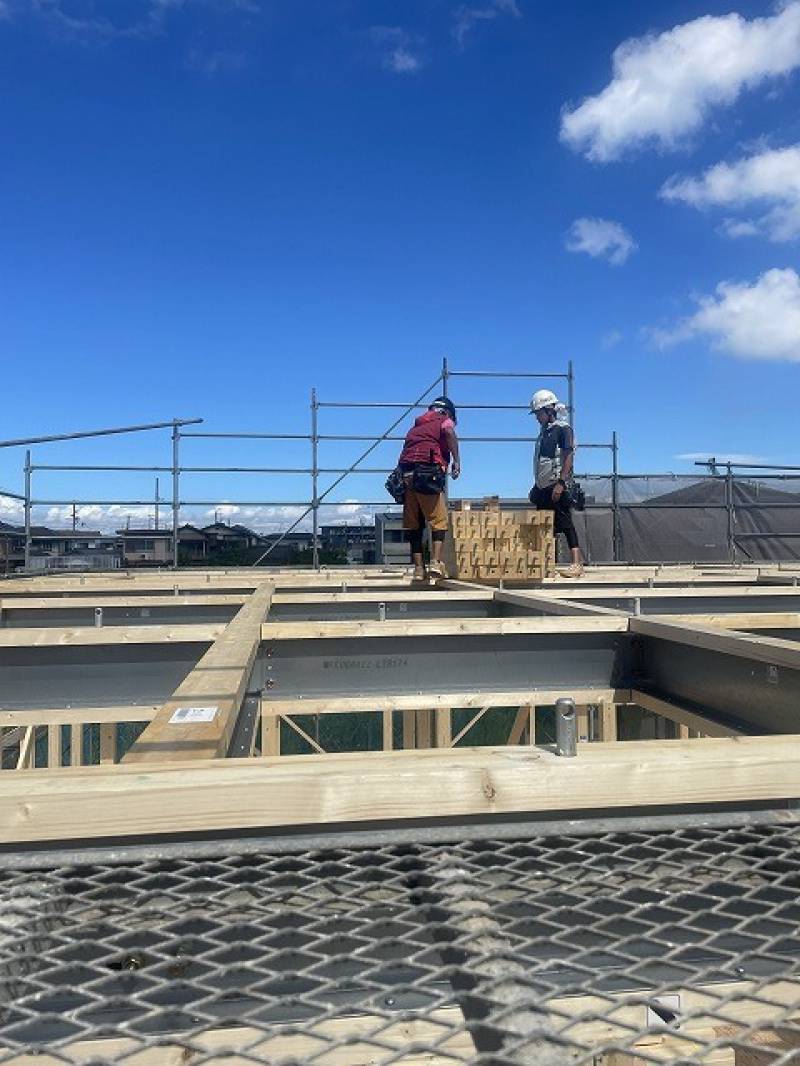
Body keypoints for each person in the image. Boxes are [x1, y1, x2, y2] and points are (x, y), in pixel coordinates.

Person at [398, 396, 460, 581]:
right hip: (427, 474)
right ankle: (435, 563)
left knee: (413, 523)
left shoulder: (417, 426)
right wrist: (457, 461)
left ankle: (418, 569)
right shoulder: (443, 419)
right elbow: (449, 433)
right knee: (439, 520)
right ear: (447, 411)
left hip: (407, 475)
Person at [529, 389, 584, 578]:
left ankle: (577, 563)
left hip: (556, 483)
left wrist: (561, 482)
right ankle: (547, 563)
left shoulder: (563, 429)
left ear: (549, 410)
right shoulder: (544, 432)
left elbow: (568, 455)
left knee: (565, 522)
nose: (537, 417)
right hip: (543, 486)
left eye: (538, 413)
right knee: (546, 525)